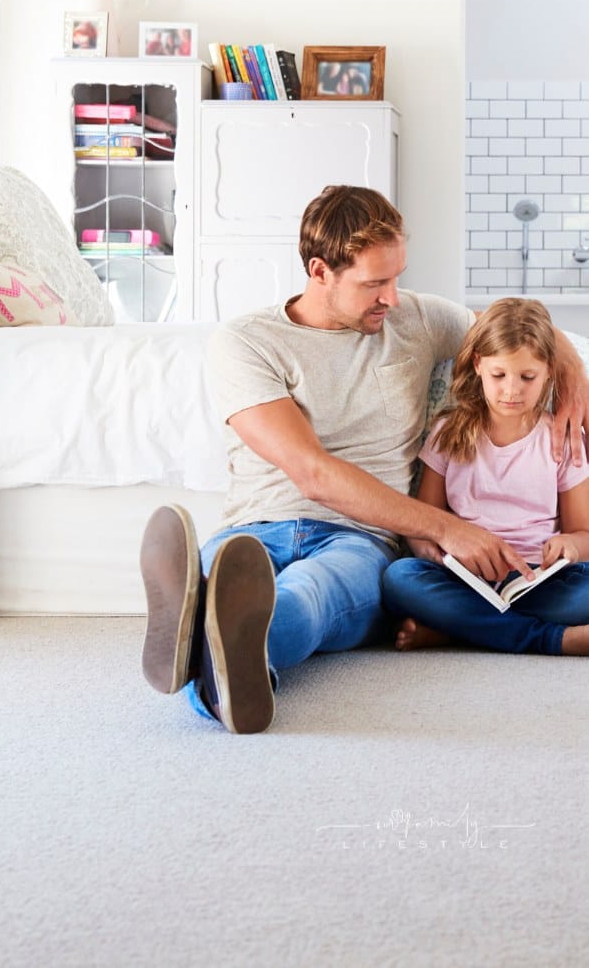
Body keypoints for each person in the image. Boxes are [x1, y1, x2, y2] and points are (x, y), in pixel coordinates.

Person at [139, 186, 589, 734]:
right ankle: (211, 644)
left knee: (311, 595)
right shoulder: (246, 343)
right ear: (319, 271)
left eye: (396, 277)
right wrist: (451, 531)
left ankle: (202, 653)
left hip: (357, 536)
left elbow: (514, 331)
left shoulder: (416, 319)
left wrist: (572, 377)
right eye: (374, 283)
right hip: (255, 529)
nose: (393, 298)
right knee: (226, 580)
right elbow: (311, 472)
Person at [382, 298, 589, 655]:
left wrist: (570, 546)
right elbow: (422, 523)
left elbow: (584, 534)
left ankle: (459, 629)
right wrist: (436, 552)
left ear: (550, 372)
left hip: (537, 580)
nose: (512, 390)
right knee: (399, 579)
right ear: (478, 365)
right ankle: (551, 639)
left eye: (527, 377)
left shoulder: (560, 439)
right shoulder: (448, 432)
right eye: (499, 375)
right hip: (466, 580)